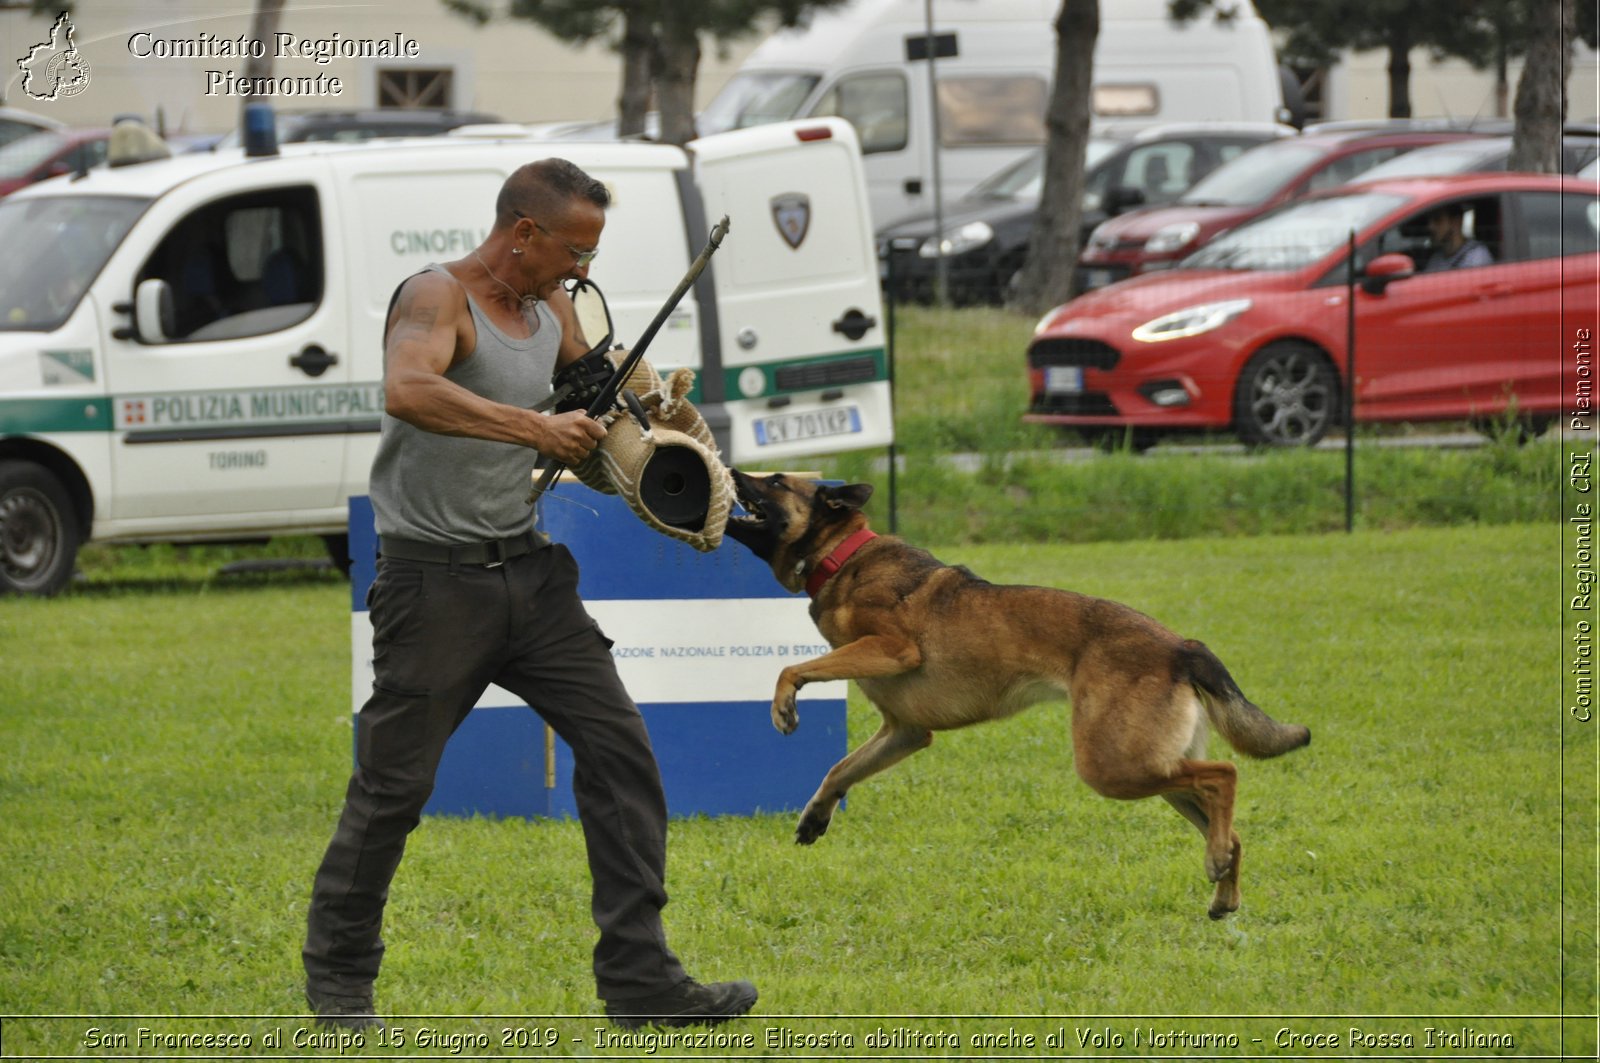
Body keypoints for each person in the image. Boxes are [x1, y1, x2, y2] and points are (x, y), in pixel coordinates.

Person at [302, 158, 757, 1032]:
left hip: (532, 574)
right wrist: (535, 426)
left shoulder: (551, 309)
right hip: (432, 583)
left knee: (621, 752)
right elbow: (409, 389)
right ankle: (341, 983)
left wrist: (658, 419)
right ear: (523, 232)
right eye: (574, 248)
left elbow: (598, 390)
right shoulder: (438, 300)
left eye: (592, 251)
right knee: (392, 788)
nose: (584, 269)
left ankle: (640, 979)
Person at [1422, 202, 1493, 272]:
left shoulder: (1476, 257)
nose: (1430, 227)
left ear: (1456, 222)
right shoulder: (1436, 259)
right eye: (1429, 221)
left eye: (1437, 220)